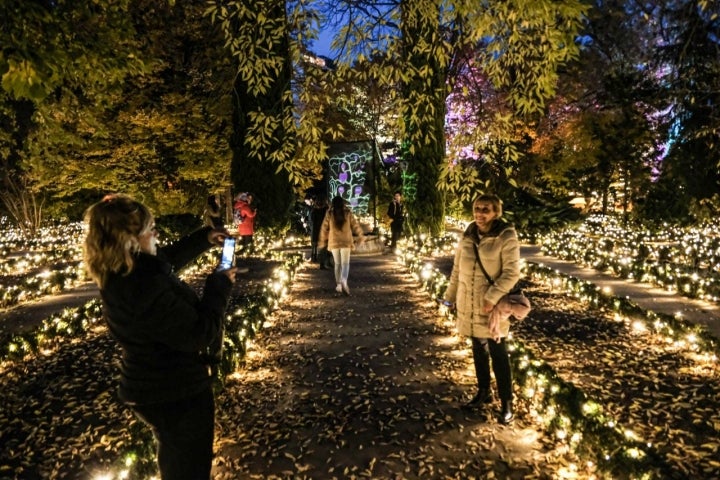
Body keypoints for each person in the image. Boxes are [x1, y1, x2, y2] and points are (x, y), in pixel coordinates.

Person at [83, 193, 240, 479]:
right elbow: (199, 333)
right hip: (174, 392)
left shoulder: (126, 271)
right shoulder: (140, 289)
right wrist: (219, 286)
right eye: (149, 228)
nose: (156, 232)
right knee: (186, 469)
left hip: (156, 386)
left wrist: (204, 238)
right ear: (129, 239)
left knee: (176, 461)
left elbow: (165, 261)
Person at [442, 194, 521, 425]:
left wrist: (491, 297)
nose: (480, 213)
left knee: (498, 353)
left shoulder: (506, 235)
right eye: (477, 208)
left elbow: (511, 273)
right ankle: (483, 391)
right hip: (468, 302)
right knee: (477, 348)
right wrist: (448, 298)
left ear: (496, 212)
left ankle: (507, 402)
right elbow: (457, 271)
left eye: (485, 209)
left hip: (492, 307)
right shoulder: (467, 236)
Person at [319, 196, 365, 295]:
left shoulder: (330, 214)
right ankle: (344, 280)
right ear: (343, 203)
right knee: (345, 264)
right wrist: (361, 235)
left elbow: (324, 227)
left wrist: (322, 240)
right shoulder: (347, 213)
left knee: (337, 264)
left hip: (334, 241)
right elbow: (355, 225)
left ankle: (339, 285)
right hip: (346, 241)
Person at [309, 196, 330, 268]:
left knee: (321, 246)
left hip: (317, 230)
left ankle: (319, 260)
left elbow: (312, 221)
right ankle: (324, 262)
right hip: (323, 230)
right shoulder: (325, 210)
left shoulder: (314, 211)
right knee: (325, 247)